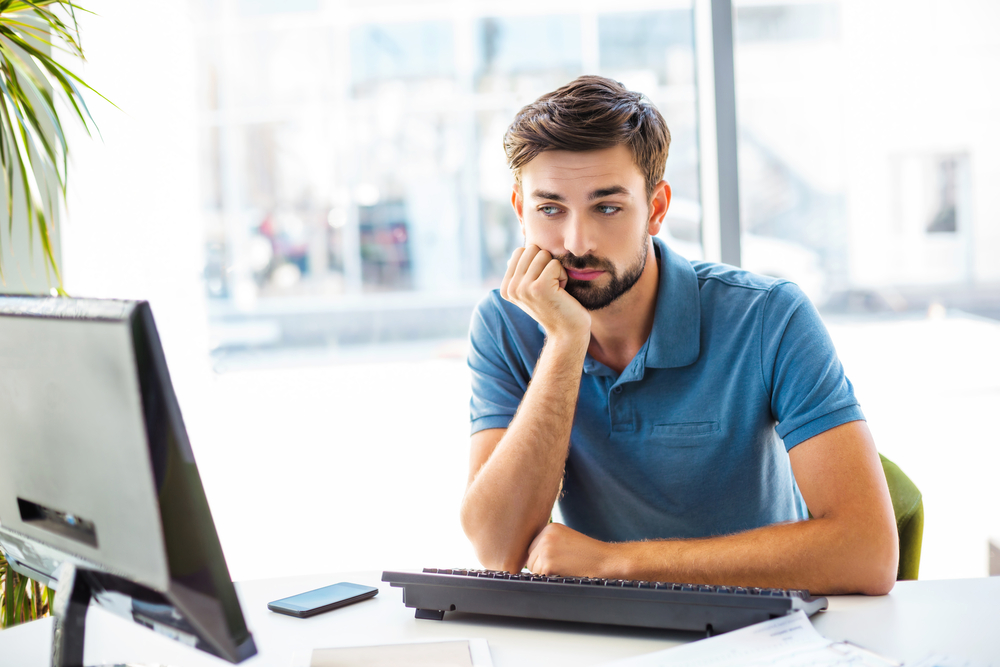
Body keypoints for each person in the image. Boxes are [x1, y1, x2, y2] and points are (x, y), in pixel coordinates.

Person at [459, 75, 898, 595]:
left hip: (755, 633)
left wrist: (615, 564)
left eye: (606, 207)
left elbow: (867, 553)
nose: (576, 243)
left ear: (657, 209)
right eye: (550, 209)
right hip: (601, 640)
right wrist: (564, 343)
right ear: (520, 211)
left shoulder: (769, 317)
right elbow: (498, 550)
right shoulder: (506, 323)